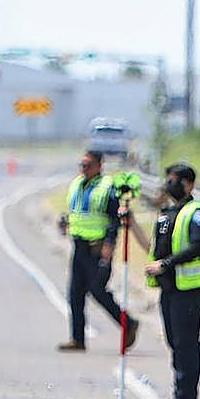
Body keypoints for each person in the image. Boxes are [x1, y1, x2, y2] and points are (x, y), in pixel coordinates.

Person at [142, 163, 200, 399]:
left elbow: (199, 246)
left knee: (186, 344)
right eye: (169, 179)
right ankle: (178, 397)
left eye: (176, 180)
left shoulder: (197, 214)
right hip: (170, 288)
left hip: (190, 288)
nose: (170, 184)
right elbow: (155, 247)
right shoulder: (167, 213)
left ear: (189, 184)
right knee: (174, 342)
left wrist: (167, 264)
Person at [56, 150, 138, 352]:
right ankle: (77, 339)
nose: (83, 168)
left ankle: (127, 323)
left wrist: (110, 244)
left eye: (88, 164)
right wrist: (65, 221)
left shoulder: (107, 188)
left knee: (98, 289)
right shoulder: (77, 184)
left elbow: (114, 219)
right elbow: (77, 210)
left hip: (98, 248)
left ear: (99, 165)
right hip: (79, 246)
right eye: (82, 164)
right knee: (75, 294)